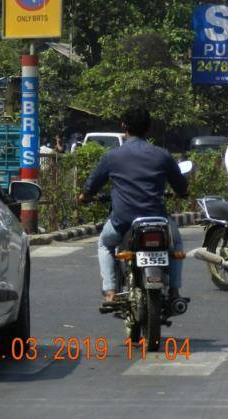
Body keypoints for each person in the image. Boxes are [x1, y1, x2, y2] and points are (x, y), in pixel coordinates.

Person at [78, 107, 188, 306]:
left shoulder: (112, 156)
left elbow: (91, 186)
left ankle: (110, 291)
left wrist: (84, 196)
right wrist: (182, 193)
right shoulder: (162, 155)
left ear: (124, 127)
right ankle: (174, 291)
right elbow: (181, 186)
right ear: (149, 129)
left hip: (123, 221)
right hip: (158, 220)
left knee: (104, 244)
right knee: (176, 245)